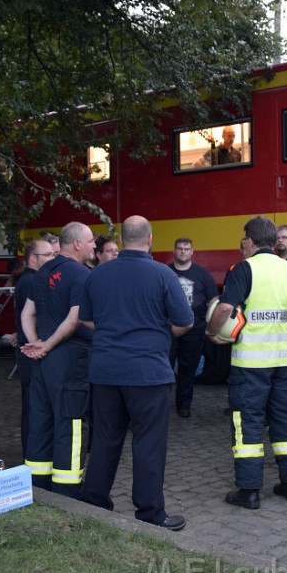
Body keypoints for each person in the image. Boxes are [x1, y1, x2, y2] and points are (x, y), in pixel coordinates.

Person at [79, 216, 194, 531]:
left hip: (105, 371)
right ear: (150, 239)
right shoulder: (163, 275)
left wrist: (114, 332)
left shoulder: (98, 275)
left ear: (122, 238)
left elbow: (86, 320)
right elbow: (185, 321)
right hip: (148, 373)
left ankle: (95, 502)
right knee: (148, 443)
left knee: (104, 439)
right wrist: (156, 335)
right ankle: (150, 512)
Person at [208, 215, 287, 510]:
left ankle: (249, 490)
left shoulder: (245, 268)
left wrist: (212, 331)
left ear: (251, 242)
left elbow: (227, 307)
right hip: (286, 363)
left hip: (251, 366)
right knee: (286, 420)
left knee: (248, 424)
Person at [20, 222, 96, 498]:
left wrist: (35, 344)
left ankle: (38, 486)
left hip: (42, 363)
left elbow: (27, 314)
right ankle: (68, 491)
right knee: (71, 422)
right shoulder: (81, 274)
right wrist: (48, 344)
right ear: (76, 244)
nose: (94, 247)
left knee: (41, 419)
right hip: (69, 359)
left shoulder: (41, 273)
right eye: (90, 242)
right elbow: (75, 318)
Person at [11, 239, 55, 456]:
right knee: (31, 404)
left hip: (27, 347)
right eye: (47, 255)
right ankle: (30, 451)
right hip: (30, 350)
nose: (52, 259)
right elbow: (32, 316)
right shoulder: (31, 281)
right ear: (33, 258)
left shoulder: (29, 279)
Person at [168, 237, 218, 418]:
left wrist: (209, 319)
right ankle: (160, 405)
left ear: (192, 252)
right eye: (179, 248)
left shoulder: (202, 274)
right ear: (174, 251)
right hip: (168, 329)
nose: (182, 251)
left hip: (194, 330)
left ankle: (184, 405)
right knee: (164, 368)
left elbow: (213, 299)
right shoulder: (165, 272)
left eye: (186, 249)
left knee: (188, 369)